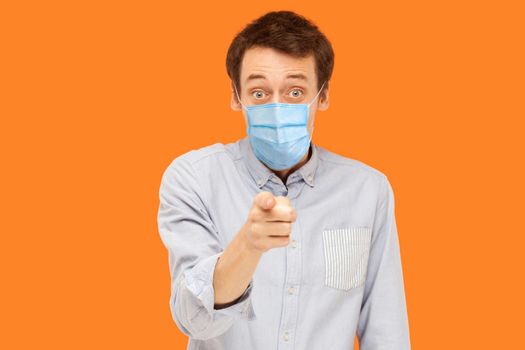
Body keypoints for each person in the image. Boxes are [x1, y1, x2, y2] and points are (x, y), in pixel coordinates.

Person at [157, 10, 411, 350]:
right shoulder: (193, 178)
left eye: (294, 92)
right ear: (236, 96)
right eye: (260, 93)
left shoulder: (368, 190)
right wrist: (248, 246)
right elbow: (193, 319)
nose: (277, 108)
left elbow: (386, 331)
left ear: (322, 96)